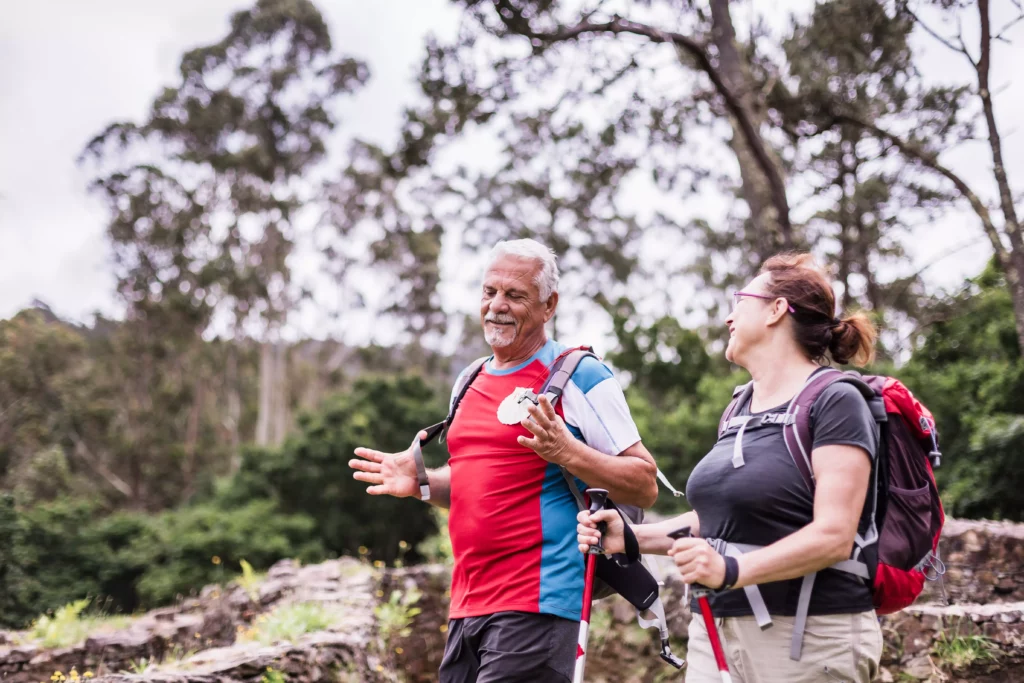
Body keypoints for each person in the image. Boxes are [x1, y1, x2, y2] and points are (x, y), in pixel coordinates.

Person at [349, 238, 659, 683]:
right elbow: (480, 485)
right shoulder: (468, 378)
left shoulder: (581, 375)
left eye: (514, 295)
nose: (497, 306)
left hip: (540, 601)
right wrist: (421, 482)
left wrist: (566, 451)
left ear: (548, 305)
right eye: (489, 292)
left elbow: (644, 482)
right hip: (468, 602)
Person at [577, 252, 883, 683]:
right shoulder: (739, 407)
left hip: (810, 635)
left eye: (740, 299)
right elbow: (718, 522)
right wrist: (630, 537)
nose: (728, 317)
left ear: (777, 309)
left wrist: (731, 571)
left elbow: (835, 535)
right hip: (717, 632)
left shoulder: (836, 401)